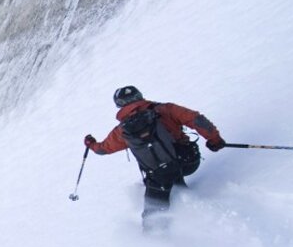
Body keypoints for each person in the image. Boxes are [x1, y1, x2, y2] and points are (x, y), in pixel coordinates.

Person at [84, 86, 226, 218]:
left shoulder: (122, 130)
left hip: (159, 174)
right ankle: (191, 204)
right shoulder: (165, 110)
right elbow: (197, 120)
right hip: (188, 162)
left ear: (120, 105)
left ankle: (154, 238)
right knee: (174, 172)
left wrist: (91, 144)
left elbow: (102, 149)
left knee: (154, 213)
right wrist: (215, 140)